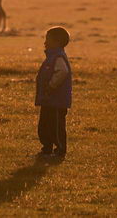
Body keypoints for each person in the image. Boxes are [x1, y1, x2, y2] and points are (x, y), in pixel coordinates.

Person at [35, 26, 72, 159]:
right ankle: (47, 148)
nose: (45, 42)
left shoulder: (58, 57)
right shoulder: (52, 56)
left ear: (57, 42)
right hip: (48, 99)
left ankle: (60, 150)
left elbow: (62, 72)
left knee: (56, 126)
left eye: (48, 40)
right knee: (45, 124)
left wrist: (51, 85)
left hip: (57, 101)